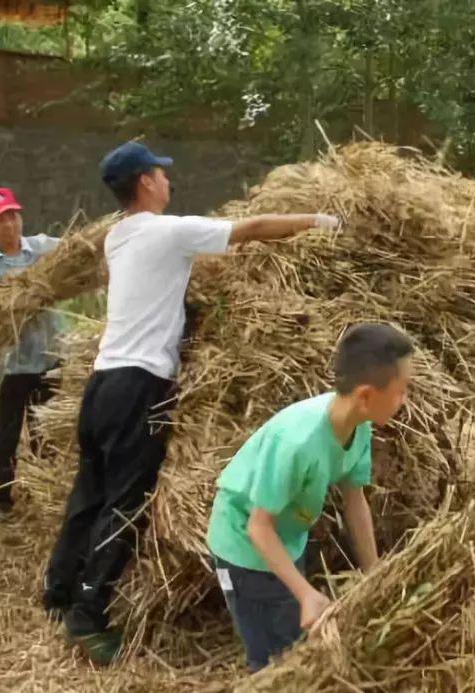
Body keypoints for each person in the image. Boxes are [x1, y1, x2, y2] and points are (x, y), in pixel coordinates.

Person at [42, 141, 343, 665]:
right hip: (137, 385)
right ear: (143, 182)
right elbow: (250, 229)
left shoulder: (118, 236)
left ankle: (59, 587)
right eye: (160, 173)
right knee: (125, 502)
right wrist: (317, 221)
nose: (167, 181)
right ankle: (87, 614)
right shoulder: (166, 230)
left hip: (100, 384)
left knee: (88, 493)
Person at [206, 323, 412, 672]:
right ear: (365, 395)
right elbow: (259, 528)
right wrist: (305, 593)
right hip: (244, 549)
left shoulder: (357, 426)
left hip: (286, 540)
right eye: (402, 390)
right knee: (273, 659)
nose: (405, 399)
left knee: (292, 634)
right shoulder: (296, 442)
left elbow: (354, 500)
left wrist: (374, 572)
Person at [0, 188, 62, 524]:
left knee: (47, 429)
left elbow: (81, 255)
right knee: (5, 432)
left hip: (49, 356)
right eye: (0, 218)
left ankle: (47, 491)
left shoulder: (43, 249)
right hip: (5, 365)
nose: (9, 224)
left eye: (13, 215)